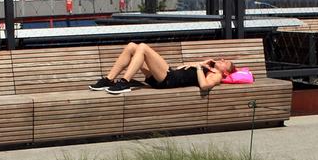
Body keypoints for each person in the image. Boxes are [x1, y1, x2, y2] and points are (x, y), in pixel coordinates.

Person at [89, 42, 237, 95]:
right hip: (169, 74)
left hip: (167, 80)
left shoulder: (216, 76)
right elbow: (181, 68)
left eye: (226, 62)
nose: (222, 59)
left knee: (143, 47)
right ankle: (109, 80)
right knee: (132, 46)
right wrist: (201, 63)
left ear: (225, 72)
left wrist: (199, 67)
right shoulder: (207, 67)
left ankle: (125, 82)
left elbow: (204, 86)